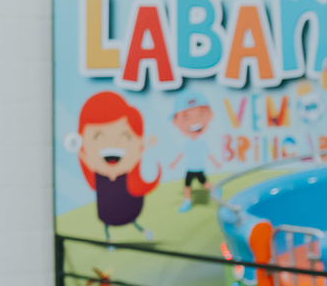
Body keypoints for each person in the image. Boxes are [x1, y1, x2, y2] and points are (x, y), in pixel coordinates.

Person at [75, 91, 160, 243]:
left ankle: (143, 231)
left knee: (131, 220)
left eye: (125, 136)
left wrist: (149, 145)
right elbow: (85, 157)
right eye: (98, 137)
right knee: (108, 223)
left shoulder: (130, 170)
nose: (113, 144)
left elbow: (136, 154)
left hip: (129, 208)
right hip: (107, 210)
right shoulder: (97, 172)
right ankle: (109, 239)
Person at [166, 91, 221, 213]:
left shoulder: (202, 143)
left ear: (210, 114)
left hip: (199, 168)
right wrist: (173, 164)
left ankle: (215, 189)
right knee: (187, 185)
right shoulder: (187, 143)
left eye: (201, 114)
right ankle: (187, 202)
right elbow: (181, 154)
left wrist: (216, 163)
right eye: (186, 117)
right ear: (176, 121)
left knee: (205, 184)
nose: (194, 122)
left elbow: (208, 154)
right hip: (190, 169)